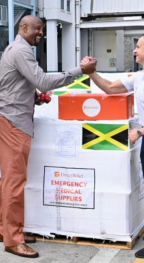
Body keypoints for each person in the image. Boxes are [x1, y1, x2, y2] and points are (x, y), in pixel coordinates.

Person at [0, 15, 96, 258]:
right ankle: (13, 240)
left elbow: (11, 85)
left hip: (11, 118)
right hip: (14, 123)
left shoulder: (17, 49)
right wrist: (80, 71)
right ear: (24, 28)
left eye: (42, 29)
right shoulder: (22, 51)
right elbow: (42, 81)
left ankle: (6, 229)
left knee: (9, 181)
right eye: (38, 29)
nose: (41, 33)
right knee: (14, 183)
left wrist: (30, 97)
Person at [81, 33, 144, 259]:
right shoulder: (141, 76)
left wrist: (140, 132)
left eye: (138, 47)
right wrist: (91, 73)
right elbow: (109, 88)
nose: (134, 50)